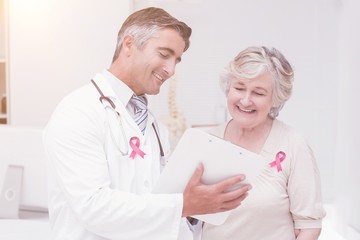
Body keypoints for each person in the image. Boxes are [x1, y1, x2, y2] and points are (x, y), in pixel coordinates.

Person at [43, 7, 251, 240]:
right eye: (164, 54)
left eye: (176, 60)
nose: (171, 70)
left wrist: (196, 208)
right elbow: (94, 207)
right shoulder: (78, 111)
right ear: (129, 45)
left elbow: (157, 205)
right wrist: (183, 205)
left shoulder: (154, 127)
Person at [201, 46, 326, 240]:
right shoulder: (207, 141)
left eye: (258, 93)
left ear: (275, 99)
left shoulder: (293, 144)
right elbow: (186, 216)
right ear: (228, 88)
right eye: (239, 88)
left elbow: (308, 228)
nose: (245, 100)